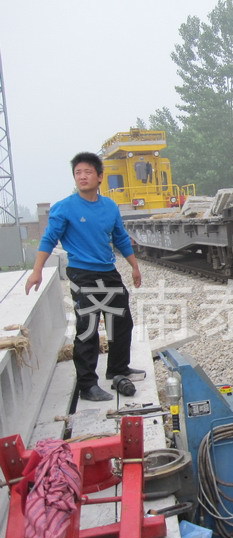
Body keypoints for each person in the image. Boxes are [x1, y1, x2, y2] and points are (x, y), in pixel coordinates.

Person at [25, 152, 144, 402]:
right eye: (78, 173)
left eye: (88, 172)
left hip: (108, 271)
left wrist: (134, 265)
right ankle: (88, 384)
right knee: (87, 328)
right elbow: (48, 239)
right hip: (82, 273)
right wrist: (37, 270)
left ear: (100, 177)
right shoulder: (65, 208)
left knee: (122, 322)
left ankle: (117, 369)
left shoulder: (109, 207)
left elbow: (120, 237)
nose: (82, 176)